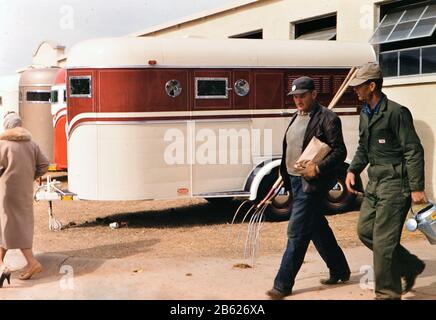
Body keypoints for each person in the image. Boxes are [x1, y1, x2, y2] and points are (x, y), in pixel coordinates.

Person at [345, 62, 427, 300]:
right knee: (365, 231)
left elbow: (413, 150)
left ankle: (387, 294)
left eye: (359, 86)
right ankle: (410, 265)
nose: (355, 90)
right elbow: (363, 146)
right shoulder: (365, 113)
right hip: (375, 183)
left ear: (372, 86)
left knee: (383, 241)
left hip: (395, 184)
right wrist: (353, 169)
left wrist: (416, 188)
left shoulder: (396, 112)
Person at [266, 76, 350, 299]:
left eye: (302, 95)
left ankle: (282, 285)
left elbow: (340, 152)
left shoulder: (328, 118)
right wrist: (283, 173)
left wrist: (318, 168)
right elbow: (291, 148)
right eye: (295, 96)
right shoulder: (296, 117)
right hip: (294, 180)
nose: (298, 100)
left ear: (314, 94)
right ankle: (340, 270)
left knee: (297, 232)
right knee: (316, 227)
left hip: (312, 183)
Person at [0, 112, 49, 286]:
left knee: (6, 225)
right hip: (25, 191)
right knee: (15, 225)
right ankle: (2, 265)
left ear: (7, 126)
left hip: (6, 192)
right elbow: (44, 165)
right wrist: (30, 175)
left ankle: (32, 262)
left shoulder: (2, 144)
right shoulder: (32, 144)